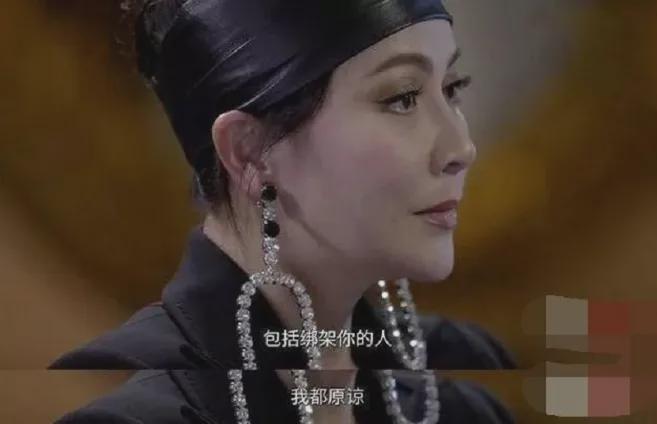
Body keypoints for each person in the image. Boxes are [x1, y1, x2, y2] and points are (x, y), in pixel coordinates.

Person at [51, 0, 517, 423]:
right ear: (249, 152)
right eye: (403, 98)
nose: (461, 148)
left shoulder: (465, 413)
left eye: (452, 87)